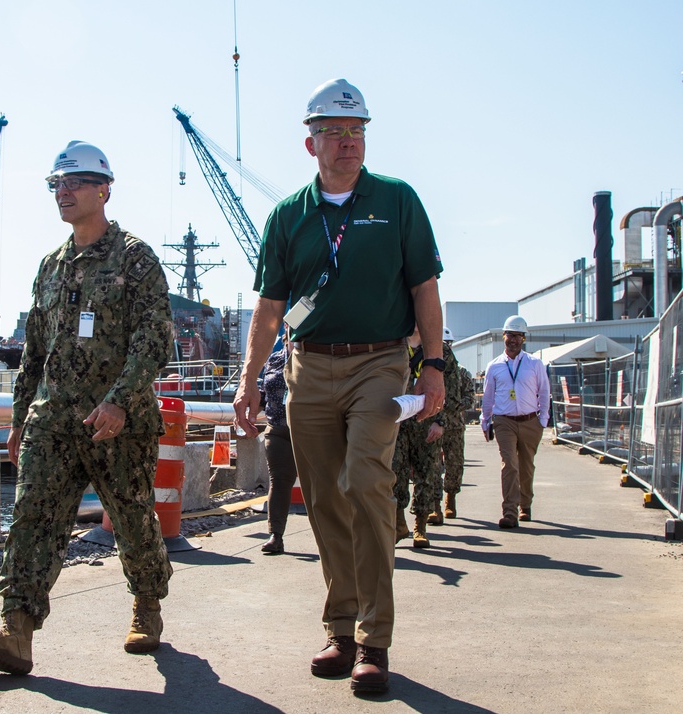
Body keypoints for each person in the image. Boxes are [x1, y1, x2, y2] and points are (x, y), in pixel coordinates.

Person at [233, 78, 445, 694]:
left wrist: (432, 365)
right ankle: (341, 629)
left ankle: (375, 641)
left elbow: (425, 289)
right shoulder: (287, 217)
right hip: (309, 366)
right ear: (310, 144)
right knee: (323, 497)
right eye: (334, 133)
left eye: (356, 133)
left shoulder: (398, 201)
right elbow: (270, 309)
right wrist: (247, 381)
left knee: (367, 482)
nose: (347, 144)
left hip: (380, 362)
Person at [0, 141, 174, 675]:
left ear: (104, 189)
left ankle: (147, 603)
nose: (64, 191)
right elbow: (35, 349)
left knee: (131, 518)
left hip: (115, 423)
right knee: (32, 518)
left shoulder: (135, 258)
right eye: (57, 184)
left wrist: (120, 400)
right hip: (53, 421)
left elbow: (153, 338)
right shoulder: (50, 267)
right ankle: (16, 631)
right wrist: (19, 418)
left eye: (74, 182)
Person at [480, 315, 551, 529]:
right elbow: (488, 396)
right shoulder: (494, 366)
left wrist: (543, 420)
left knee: (526, 466)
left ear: (524, 339)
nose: (513, 340)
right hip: (504, 422)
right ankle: (509, 512)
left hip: (530, 421)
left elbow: (544, 391)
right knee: (509, 464)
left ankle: (525, 505)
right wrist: (485, 420)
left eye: (518, 336)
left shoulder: (534, 364)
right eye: (510, 335)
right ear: (503, 336)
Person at [393, 328, 447, 548]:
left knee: (426, 472)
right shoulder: (393, 345)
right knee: (396, 471)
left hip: (426, 420)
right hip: (397, 420)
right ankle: (398, 523)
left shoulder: (438, 351)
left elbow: (448, 388)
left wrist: (440, 422)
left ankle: (420, 527)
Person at [260, 338, 298, 555]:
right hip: (277, 427)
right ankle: (276, 535)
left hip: (309, 429)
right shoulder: (274, 359)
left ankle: (334, 537)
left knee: (321, 482)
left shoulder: (314, 358)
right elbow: (263, 391)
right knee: (279, 480)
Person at [428, 327, 470, 522]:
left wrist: (456, 405)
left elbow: (469, 396)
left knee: (454, 464)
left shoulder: (461, 372)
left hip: (454, 425)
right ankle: (435, 505)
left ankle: (450, 498)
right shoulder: (429, 368)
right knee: (433, 465)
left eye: (448, 343)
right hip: (433, 422)